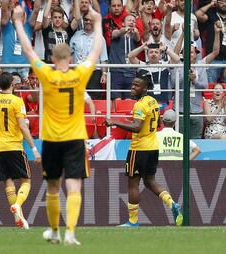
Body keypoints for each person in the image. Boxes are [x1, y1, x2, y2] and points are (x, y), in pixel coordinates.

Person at [13, 4, 103, 244]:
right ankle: (70, 233)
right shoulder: (80, 74)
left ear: (52, 58)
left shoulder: (47, 75)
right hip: (75, 140)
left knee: (53, 188)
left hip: (52, 140)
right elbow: (95, 51)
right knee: (74, 188)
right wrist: (98, 21)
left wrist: (19, 22)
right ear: (71, 58)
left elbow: (28, 50)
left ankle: (54, 230)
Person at [104, 70, 183, 227]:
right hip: (153, 147)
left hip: (139, 149)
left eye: (136, 85)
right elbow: (159, 123)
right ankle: (172, 204)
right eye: (132, 84)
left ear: (145, 88)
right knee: (150, 181)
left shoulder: (140, 105)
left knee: (133, 183)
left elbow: (136, 127)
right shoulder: (153, 101)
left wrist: (114, 122)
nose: (132, 87)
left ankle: (133, 221)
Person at [0, 72, 41, 229]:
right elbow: (22, 126)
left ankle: (18, 216)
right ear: (13, 85)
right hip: (14, 146)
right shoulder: (17, 101)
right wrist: (34, 149)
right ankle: (18, 205)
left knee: (8, 181)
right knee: (26, 180)